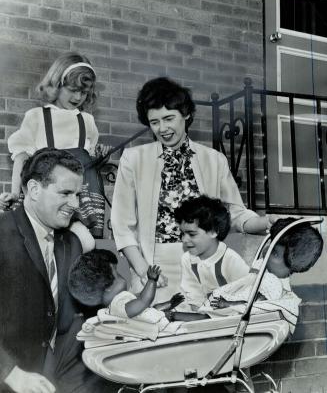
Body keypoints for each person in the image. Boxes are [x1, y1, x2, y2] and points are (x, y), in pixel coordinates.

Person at [111, 77, 274, 302]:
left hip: (204, 263)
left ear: (186, 115)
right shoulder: (133, 159)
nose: (163, 129)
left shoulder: (214, 160)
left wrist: (266, 223)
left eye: (169, 118)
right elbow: (122, 225)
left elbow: (235, 213)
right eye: (155, 122)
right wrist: (143, 271)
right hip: (155, 266)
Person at [0, 149, 112, 393]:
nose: (75, 204)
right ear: (34, 189)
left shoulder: (71, 243)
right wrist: (10, 373)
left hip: (55, 371)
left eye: (78, 195)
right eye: (65, 193)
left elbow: (82, 308)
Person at [0, 51, 109, 243]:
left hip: (79, 204)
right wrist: (15, 193)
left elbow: (87, 165)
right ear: (57, 84)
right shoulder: (36, 117)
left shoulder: (88, 121)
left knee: (87, 242)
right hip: (47, 200)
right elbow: (22, 157)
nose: (77, 97)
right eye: (72, 89)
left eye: (83, 92)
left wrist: (100, 158)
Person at [208, 217, 323, 310]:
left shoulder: (273, 284)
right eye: (270, 245)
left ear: (292, 265)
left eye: (275, 253)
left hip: (237, 311)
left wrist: (229, 304)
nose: (266, 251)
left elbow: (257, 303)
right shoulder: (267, 272)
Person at [69, 249, 205, 326]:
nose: (122, 277)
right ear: (108, 288)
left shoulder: (119, 302)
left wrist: (169, 303)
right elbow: (143, 301)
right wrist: (151, 281)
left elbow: (140, 298)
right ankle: (207, 321)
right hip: (154, 322)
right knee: (178, 316)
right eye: (117, 275)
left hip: (150, 315)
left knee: (159, 309)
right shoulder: (118, 307)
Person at [174, 195, 250, 311]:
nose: (184, 240)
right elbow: (193, 296)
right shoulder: (187, 259)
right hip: (205, 316)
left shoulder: (230, 260)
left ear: (214, 232)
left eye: (192, 234)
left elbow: (248, 295)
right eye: (183, 234)